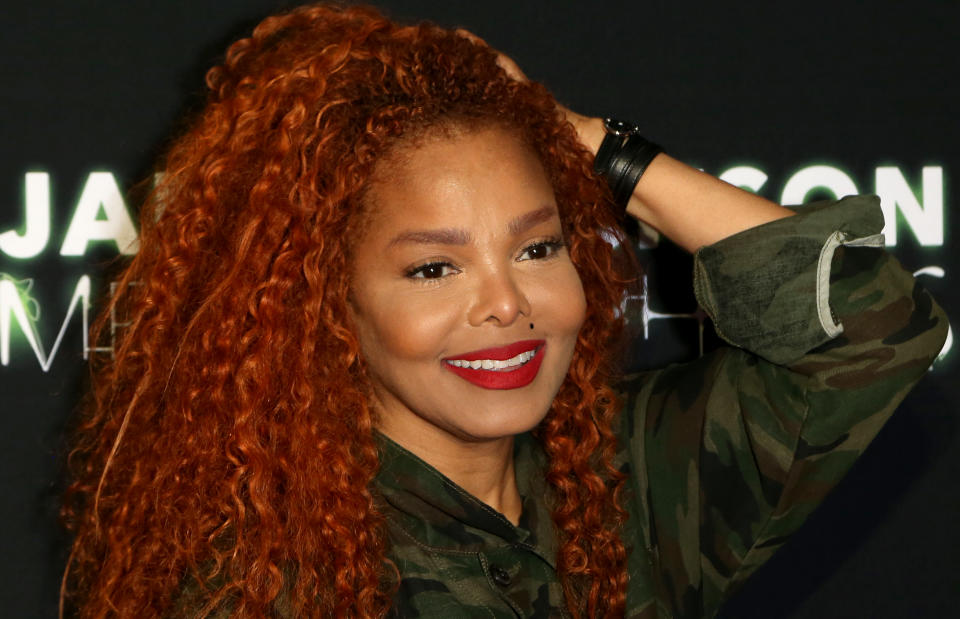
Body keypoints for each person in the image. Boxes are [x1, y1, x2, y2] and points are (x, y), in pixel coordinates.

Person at [60, 3, 947, 618]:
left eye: (536, 247)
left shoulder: (622, 481)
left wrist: (589, 143)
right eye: (434, 267)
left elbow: (874, 324)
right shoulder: (263, 584)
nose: (506, 304)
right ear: (331, 304)